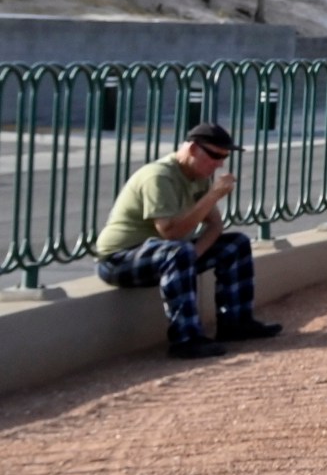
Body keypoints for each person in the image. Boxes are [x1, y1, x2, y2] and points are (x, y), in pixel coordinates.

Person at [94, 123, 283, 359]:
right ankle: (186, 339)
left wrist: (194, 255)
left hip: (167, 253)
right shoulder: (159, 176)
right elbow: (170, 232)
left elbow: (215, 224)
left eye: (224, 157)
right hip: (120, 259)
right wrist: (213, 194)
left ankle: (236, 322)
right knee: (177, 251)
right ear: (193, 149)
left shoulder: (198, 176)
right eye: (214, 155)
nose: (219, 163)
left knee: (236, 244)